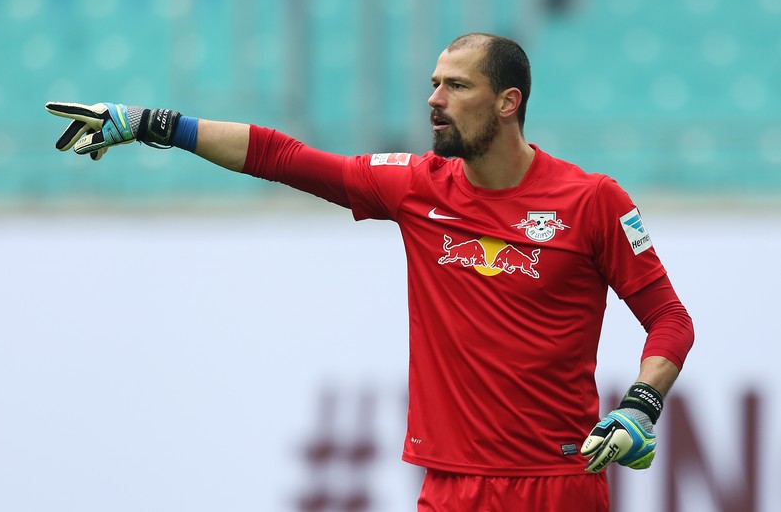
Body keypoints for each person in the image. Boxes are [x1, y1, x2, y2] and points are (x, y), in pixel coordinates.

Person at [45, 33, 694, 512]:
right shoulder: (416, 187)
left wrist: (639, 406)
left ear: (507, 102)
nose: (433, 100)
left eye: (456, 86)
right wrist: (150, 124)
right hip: (448, 484)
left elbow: (668, 318)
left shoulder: (590, 201)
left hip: (554, 484)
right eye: (434, 83)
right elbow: (281, 156)